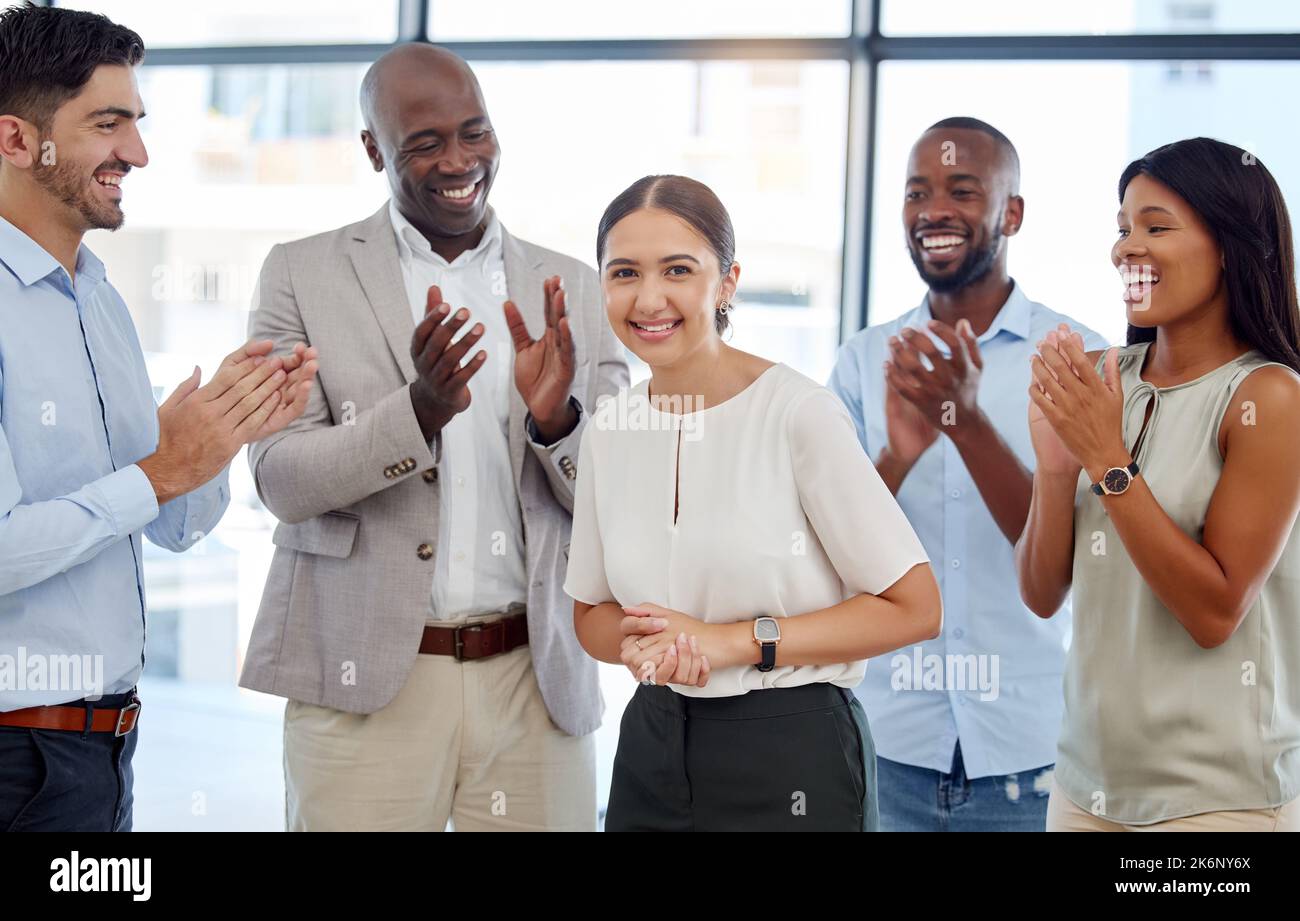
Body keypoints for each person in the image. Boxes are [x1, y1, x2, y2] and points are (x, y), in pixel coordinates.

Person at [240, 43, 628, 831]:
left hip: (535, 682)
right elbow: (279, 479)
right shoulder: (299, 274)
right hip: (365, 683)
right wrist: (415, 412)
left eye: (474, 132)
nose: (459, 160)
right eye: (424, 142)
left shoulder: (574, 290)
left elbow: (616, 502)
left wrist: (557, 423)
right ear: (374, 150)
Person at [0, 3, 316, 832]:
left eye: (135, 123)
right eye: (108, 125)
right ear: (14, 140)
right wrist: (162, 468)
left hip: (106, 750)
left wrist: (219, 436)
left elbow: (171, 526)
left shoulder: (100, 298)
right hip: (13, 759)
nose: (136, 153)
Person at [567, 174, 941, 832]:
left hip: (791, 748)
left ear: (727, 281)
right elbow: (593, 614)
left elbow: (915, 607)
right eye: (624, 272)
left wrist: (732, 642)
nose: (648, 297)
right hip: (651, 744)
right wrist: (645, 643)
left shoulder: (798, 413)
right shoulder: (608, 429)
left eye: (677, 269)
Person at [827, 117, 1109, 831]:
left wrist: (966, 423)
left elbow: (1070, 557)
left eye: (962, 189)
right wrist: (899, 453)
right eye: (916, 192)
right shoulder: (863, 363)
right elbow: (830, 552)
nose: (933, 211)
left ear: (1011, 212)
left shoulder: (1079, 359)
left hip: (1030, 753)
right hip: (887, 746)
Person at [1016, 137, 1300, 831]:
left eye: (1156, 226)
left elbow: (1214, 613)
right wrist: (1058, 468)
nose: (1126, 248)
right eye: (1122, 228)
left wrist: (1106, 458)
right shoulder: (1105, 380)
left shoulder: (1268, 397)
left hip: (1217, 803)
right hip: (1086, 787)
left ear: (1233, 246)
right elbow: (1042, 592)